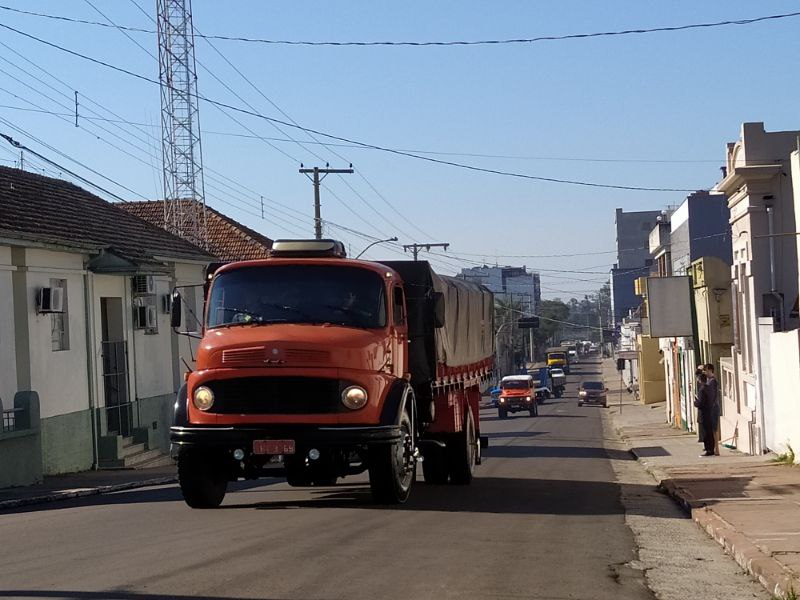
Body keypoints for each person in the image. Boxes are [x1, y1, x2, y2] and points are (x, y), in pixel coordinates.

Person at [694, 372, 715, 457]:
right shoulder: (708, 388)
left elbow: (701, 403)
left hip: (704, 413)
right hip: (709, 412)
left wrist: (696, 403)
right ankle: (711, 448)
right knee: (709, 432)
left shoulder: (702, 390)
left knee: (706, 433)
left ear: (700, 380)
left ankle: (708, 450)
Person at [705, 363, 721, 455]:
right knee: (712, 429)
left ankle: (717, 449)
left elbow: (712, 395)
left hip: (713, 408)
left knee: (714, 429)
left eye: (706, 370)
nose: (705, 373)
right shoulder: (710, 381)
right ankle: (715, 448)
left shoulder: (712, 381)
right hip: (712, 407)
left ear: (710, 370)